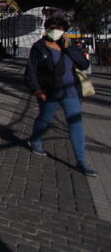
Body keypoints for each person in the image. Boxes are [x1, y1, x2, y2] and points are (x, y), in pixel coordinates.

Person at [25, 17, 96, 176]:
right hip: (49, 91)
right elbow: (31, 71)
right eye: (52, 27)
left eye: (59, 28)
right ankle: (35, 140)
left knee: (76, 124)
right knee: (44, 119)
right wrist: (37, 90)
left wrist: (69, 48)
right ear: (47, 28)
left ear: (64, 30)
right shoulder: (39, 47)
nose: (55, 30)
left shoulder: (69, 46)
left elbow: (84, 65)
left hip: (70, 92)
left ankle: (81, 161)